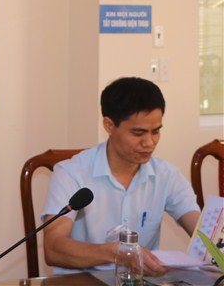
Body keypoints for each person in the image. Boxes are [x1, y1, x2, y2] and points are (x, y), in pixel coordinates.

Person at [41, 77, 200, 276]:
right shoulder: (72, 173)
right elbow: (53, 248)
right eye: (138, 133)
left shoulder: (166, 175)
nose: (149, 142)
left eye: (156, 132)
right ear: (109, 125)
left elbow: (204, 233)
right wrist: (116, 253)